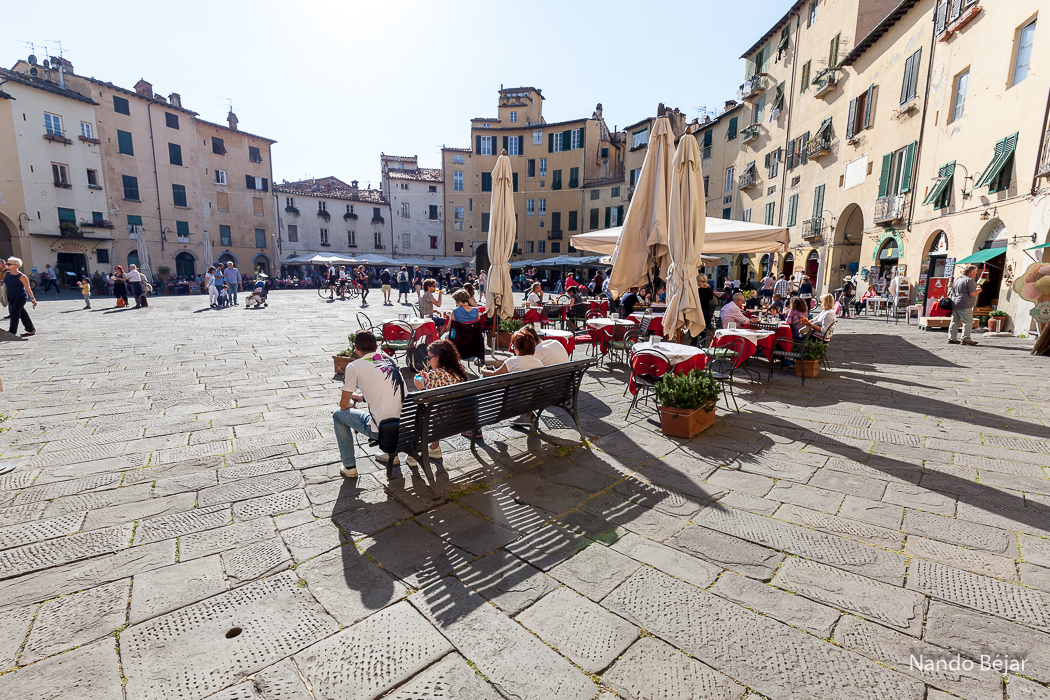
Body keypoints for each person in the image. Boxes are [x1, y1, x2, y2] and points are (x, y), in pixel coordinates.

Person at [333, 331, 405, 478]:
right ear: (377, 346)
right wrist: (363, 398)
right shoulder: (389, 360)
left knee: (338, 415)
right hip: (405, 425)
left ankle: (349, 466)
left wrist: (351, 402)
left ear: (356, 349)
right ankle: (392, 455)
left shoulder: (354, 366)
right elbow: (390, 391)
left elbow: (344, 405)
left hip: (383, 429)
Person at [412, 339, 469, 459]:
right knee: (439, 407)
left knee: (420, 410)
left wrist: (421, 387)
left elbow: (428, 401)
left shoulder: (435, 374)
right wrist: (429, 378)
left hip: (444, 421)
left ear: (439, 357)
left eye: (429, 358)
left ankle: (416, 452)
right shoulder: (458, 371)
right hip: (462, 418)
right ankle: (434, 447)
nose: (428, 361)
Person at [949, 264, 982, 345]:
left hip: (955, 302)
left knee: (954, 321)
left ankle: (952, 338)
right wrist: (978, 291)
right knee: (968, 321)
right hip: (965, 303)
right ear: (971, 273)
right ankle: (966, 338)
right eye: (975, 272)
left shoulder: (958, 279)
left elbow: (952, 292)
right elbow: (972, 294)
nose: (976, 273)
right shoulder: (969, 280)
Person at [5, 257, 37, 336]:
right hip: (11, 297)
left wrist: (33, 299)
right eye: (7, 263)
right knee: (22, 313)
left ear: (16, 265)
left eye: (9, 264)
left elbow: (27, 288)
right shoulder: (7, 274)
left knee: (14, 313)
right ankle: (31, 330)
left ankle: (12, 332)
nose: (7, 265)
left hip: (20, 297)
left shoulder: (22, 276)